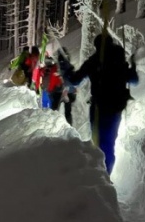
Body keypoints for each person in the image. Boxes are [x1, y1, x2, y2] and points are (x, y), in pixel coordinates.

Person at [69, 34, 138, 174]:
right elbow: (134, 80)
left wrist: (67, 69)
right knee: (109, 144)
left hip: (98, 108)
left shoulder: (93, 62)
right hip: (115, 108)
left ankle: (100, 174)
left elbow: (75, 80)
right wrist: (132, 67)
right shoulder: (119, 61)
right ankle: (106, 175)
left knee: (98, 143)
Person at [57, 47, 76, 126]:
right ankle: (69, 126)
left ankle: (58, 126)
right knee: (67, 111)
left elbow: (64, 75)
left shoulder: (61, 64)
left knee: (56, 109)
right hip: (70, 91)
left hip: (64, 91)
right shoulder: (68, 63)